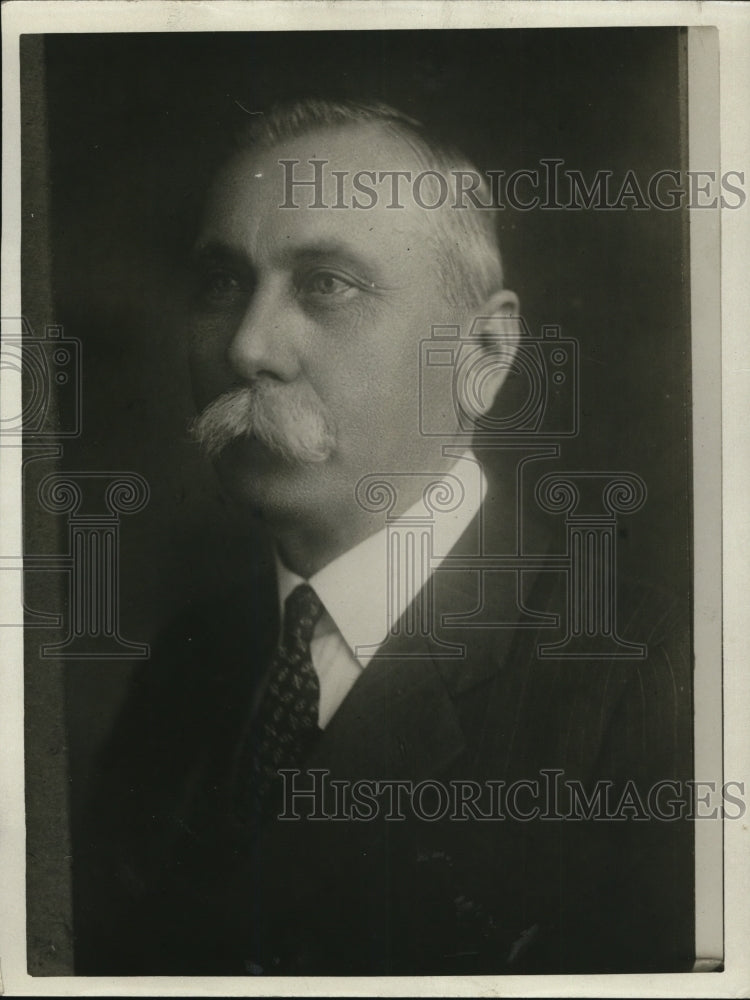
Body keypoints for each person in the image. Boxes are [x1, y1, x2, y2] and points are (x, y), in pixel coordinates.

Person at [74, 99, 694, 976]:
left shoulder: (651, 684)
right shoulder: (187, 664)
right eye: (222, 284)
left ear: (482, 350)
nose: (249, 345)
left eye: (327, 284)